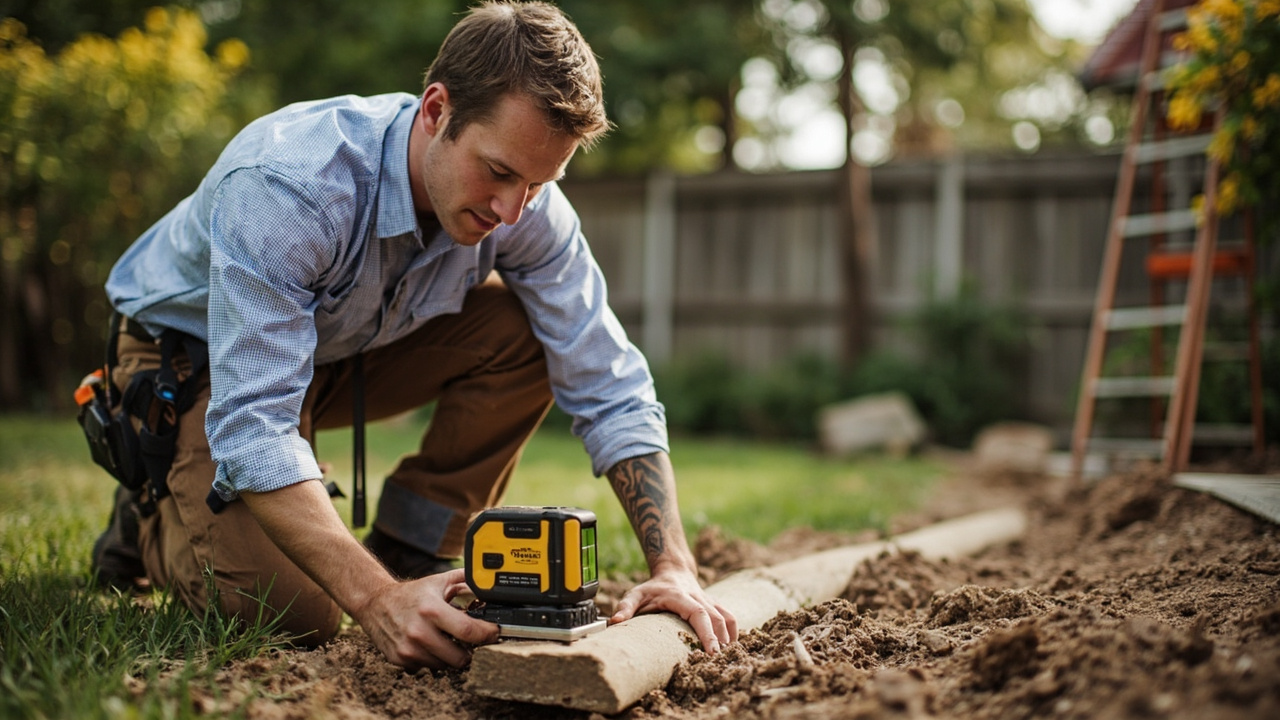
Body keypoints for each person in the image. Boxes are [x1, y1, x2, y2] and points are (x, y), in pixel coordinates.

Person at [91, 0, 736, 669]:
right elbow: (255, 429)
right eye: (500, 172)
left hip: (338, 347)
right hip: (190, 358)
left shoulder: (524, 208)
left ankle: (408, 554)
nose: (512, 211)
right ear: (436, 111)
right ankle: (152, 506)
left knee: (530, 331)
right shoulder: (291, 186)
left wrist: (674, 565)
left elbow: (606, 375)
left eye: (539, 185)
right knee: (295, 615)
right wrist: (373, 601)